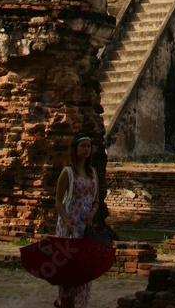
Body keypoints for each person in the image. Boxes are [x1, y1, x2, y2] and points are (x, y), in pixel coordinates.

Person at [53, 132, 99, 308]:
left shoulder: (92, 173)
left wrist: (93, 212)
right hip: (70, 226)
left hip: (85, 226)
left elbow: (96, 200)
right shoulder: (68, 172)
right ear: (75, 149)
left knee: (84, 271)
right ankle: (65, 304)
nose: (86, 149)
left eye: (88, 146)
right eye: (83, 146)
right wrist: (65, 222)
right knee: (69, 273)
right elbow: (58, 201)